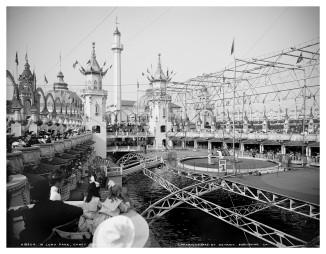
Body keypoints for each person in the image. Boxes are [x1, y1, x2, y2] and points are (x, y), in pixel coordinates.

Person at [19, 179, 83, 244]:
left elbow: (29, 233)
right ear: (49, 192)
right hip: (62, 242)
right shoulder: (59, 205)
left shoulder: (31, 214)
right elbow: (79, 211)